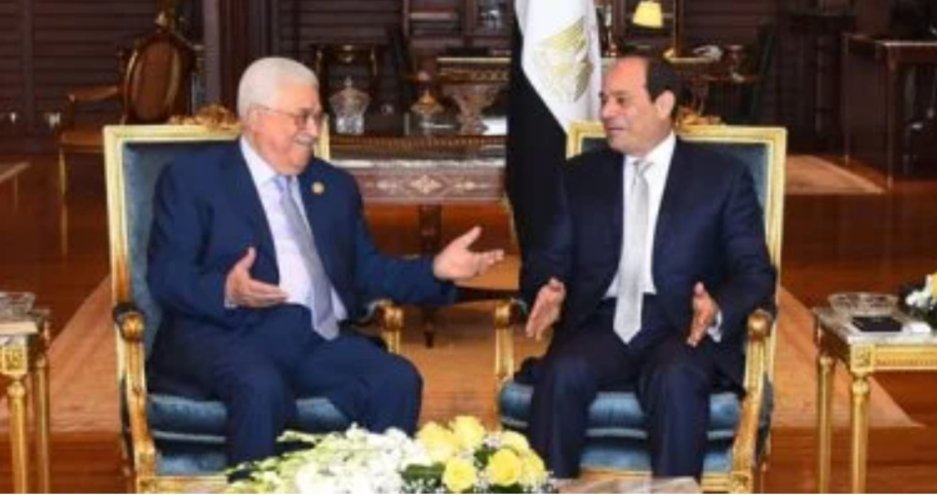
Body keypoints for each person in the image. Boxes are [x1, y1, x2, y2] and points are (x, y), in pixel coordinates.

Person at [146, 56, 504, 466]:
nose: (314, 131)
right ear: (257, 118)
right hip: (224, 335)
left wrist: (435, 269)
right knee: (260, 386)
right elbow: (167, 275)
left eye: (317, 117)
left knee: (396, 379)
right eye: (302, 117)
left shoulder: (332, 185)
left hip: (314, 340)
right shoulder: (194, 178)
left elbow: (367, 271)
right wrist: (227, 289)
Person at [520, 54, 776, 479]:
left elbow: (755, 271)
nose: (606, 112)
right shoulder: (579, 176)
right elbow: (547, 259)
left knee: (676, 379)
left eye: (621, 100)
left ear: (664, 104)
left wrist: (718, 307)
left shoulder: (721, 178)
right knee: (562, 373)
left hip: (682, 327)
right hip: (600, 322)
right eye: (604, 99)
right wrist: (548, 287)